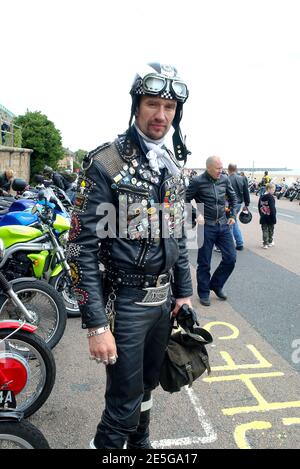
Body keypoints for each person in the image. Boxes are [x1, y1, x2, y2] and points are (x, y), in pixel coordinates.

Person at [66, 62, 193, 449]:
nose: (161, 115)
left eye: (169, 108)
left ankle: (141, 447)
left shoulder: (171, 166)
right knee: (122, 405)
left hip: (163, 300)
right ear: (136, 105)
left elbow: (179, 235)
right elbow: (79, 249)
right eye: (153, 104)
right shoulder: (105, 163)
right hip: (126, 304)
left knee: (148, 389)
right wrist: (96, 325)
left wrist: (184, 292)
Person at [186, 156, 237, 306]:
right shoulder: (197, 182)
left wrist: (232, 215)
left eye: (222, 168)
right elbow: (184, 199)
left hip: (223, 225)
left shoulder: (225, 179)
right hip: (205, 226)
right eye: (218, 168)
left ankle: (216, 284)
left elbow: (233, 198)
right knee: (204, 262)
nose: (221, 171)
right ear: (208, 168)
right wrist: (196, 214)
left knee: (231, 258)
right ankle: (203, 292)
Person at [227, 163, 250, 250]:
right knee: (234, 221)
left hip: (229, 204)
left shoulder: (227, 179)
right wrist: (247, 204)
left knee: (229, 223)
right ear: (236, 169)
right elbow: (246, 192)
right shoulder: (242, 178)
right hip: (239, 203)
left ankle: (229, 245)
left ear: (228, 170)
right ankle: (239, 243)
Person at [258, 182, 276, 249]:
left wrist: (261, 214)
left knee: (264, 230)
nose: (274, 191)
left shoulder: (261, 197)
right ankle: (270, 242)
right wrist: (274, 218)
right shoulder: (270, 197)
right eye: (273, 190)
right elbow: (272, 208)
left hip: (263, 216)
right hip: (270, 216)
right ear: (269, 189)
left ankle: (265, 243)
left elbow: (259, 206)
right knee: (270, 229)